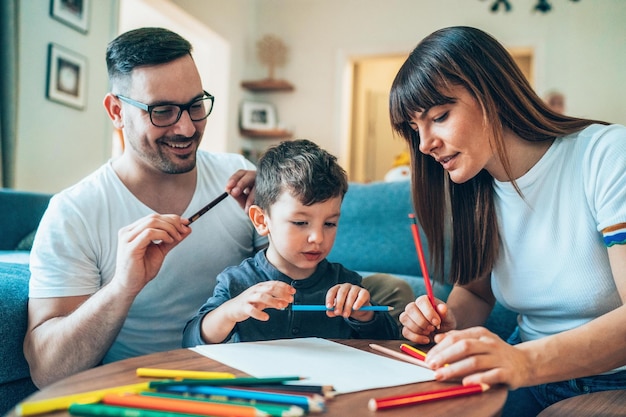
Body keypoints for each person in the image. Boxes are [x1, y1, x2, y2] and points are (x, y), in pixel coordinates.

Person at [389, 26, 626, 416]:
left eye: (440, 117)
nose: (424, 144)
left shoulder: (605, 155)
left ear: (492, 94)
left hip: (613, 377)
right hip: (526, 373)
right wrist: (446, 323)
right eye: (415, 129)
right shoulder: (474, 187)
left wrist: (524, 363)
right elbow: (478, 293)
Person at [23, 27, 264, 388]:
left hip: (259, 385)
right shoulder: (74, 213)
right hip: (145, 396)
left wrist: (280, 219)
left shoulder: (239, 177)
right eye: (162, 111)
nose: (186, 127)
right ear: (116, 111)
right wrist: (122, 287)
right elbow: (48, 371)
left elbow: (300, 285)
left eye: (195, 105)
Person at [183, 139, 399, 345]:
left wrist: (366, 314)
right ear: (261, 220)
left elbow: (390, 340)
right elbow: (191, 340)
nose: (318, 238)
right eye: (300, 222)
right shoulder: (238, 282)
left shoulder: (346, 282)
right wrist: (229, 311)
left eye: (330, 223)